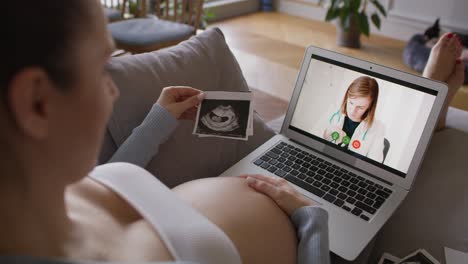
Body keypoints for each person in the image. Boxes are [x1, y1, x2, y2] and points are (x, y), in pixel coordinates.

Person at [0, 1, 464, 264]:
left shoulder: (60, 189)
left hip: (262, 173)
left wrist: (157, 122)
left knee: (345, 151)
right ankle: (430, 103)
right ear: (37, 103)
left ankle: (425, 101)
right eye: (103, 69)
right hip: (316, 239)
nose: (113, 89)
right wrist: (310, 219)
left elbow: (113, 176)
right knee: (376, 176)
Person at [318, 76, 385, 162]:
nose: (352, 111)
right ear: (347, 96)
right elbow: (309, 139)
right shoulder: (332, 111)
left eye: (360, 107)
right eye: (351, 103)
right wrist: (326, 132)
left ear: (370, 107)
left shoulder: (378, 128)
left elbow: (375, 165)